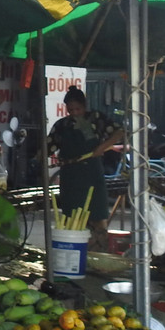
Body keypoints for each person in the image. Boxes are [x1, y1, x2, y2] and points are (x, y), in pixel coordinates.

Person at [48, 86, 125, 250]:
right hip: (71, 178)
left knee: (97, 216)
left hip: (92, 175)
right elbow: (48, 147)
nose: (75, 113)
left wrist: (102, 147)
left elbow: (119, 132)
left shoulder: (96, 118)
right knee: (71, 218)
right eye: (71, 110)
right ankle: (75, 251)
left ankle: (100, 252)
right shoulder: (62, 125)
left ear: (85, 105)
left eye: (78, 109)